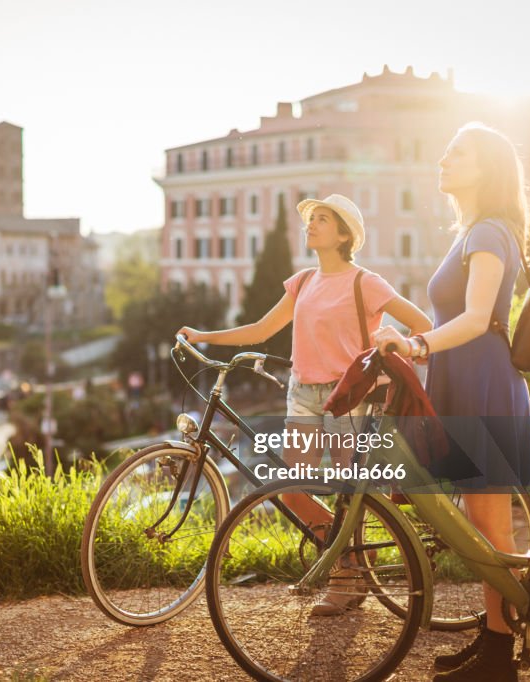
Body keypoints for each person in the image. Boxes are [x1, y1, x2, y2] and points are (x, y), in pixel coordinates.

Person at [178, 193, 431, 615]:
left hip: (349, 396)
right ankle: (350, 560)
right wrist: (205, 336)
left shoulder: (365, 282)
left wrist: (398, 344)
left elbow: (422, 325)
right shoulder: (303, 282)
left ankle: (344, 580)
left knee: (349, 495)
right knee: (291, 489)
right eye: (311, 219)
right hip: (303, 392)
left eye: (323, 219)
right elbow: (261, 329)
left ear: (345, 234)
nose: (310, 224)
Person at [372, 123, 530, 682]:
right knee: (480, 524)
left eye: (458, 153)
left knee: (491, 526)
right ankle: (493, 639)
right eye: (444, 150)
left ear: (486, 168)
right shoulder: (474, 231)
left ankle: (499, 658)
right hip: (466, 382)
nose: (443, 159)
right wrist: (417, 352)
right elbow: (459, 323)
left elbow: (475, 318)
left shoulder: (489, 233)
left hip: (482, 387)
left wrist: (417, 342)